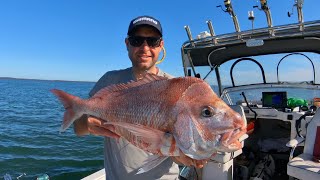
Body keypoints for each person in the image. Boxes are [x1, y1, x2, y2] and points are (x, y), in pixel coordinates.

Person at [74, 15, 205, 180]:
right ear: (127, 44)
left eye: (152, 41)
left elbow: (173, 147)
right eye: (137, 40)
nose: (145, 48)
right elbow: (78, 129)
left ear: (161, 45)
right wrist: (85, 123)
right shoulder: (109, 80)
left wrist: (184, 154)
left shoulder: (176, 88)